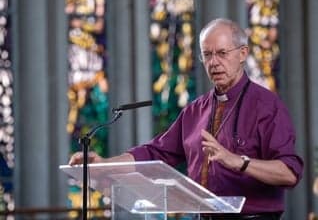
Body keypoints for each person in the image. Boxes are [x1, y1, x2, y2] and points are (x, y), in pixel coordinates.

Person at [69, 18, 303, 220]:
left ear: (243, 53)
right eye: (207, 55)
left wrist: (239, 161)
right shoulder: (195, 110)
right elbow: (154, 153)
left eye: (222, 53)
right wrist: (104, 165)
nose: (214, 62)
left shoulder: (266, 106)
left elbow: (289, 173)